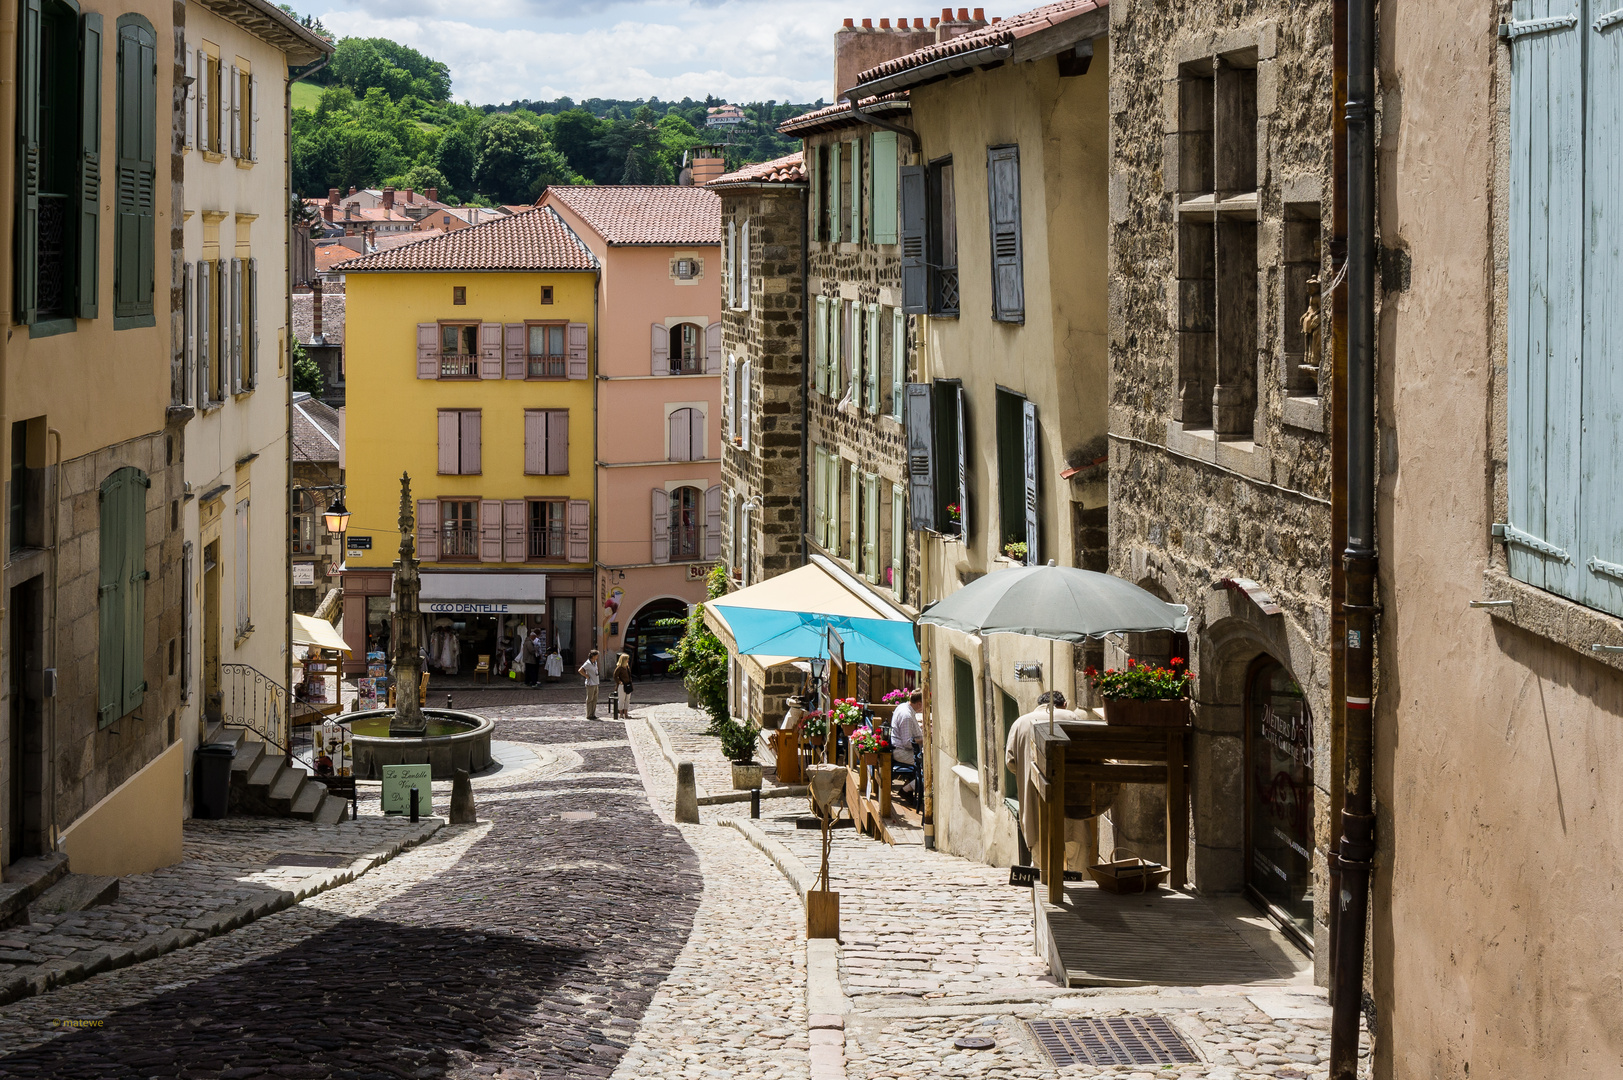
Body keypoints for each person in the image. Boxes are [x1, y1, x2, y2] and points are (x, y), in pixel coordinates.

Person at [578, 649, 601, 719]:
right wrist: (586, 676)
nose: (597, 657)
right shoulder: (587, 663)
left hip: (596, 682)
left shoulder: (595, 662)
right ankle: (589, 714)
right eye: (596, 655)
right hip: (590, 683)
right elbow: (580, 670)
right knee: (590, 699)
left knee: (595, 699)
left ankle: (593, 714)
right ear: (593, 656)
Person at [613, 653, 634, 718]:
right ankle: (621, 714)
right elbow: (615, 676)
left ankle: (626, 713)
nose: (628, 660)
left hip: (628, 684)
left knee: (627, 699)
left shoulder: (627, 667)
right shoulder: (619, 668)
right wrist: (619, 682)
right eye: (627, 659)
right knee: (621, 699)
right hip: (622, 686)